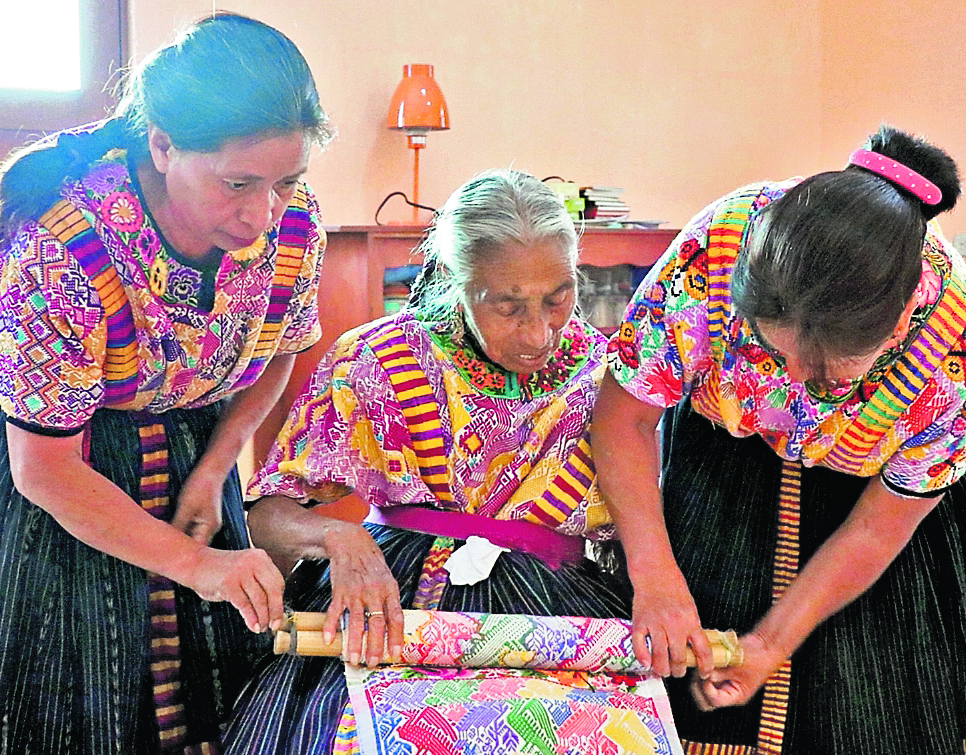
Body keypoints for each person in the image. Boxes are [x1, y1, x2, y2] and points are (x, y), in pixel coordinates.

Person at [0, 13, 332, 754]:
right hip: (74, 470)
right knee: (81, 698)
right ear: (162, 144)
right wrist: (195, 564)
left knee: (216, 691)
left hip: (196, 447)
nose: (261, 215)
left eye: (287, 181)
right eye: (237, 183)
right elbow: (43, 469)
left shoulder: (293, 224)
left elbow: (278, 348)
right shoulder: (63, 246)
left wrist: (217, 466)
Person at [221, 169, 633, 754]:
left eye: (559, 298)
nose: (537, 332)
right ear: (454, 281)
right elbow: (266, 515)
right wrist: (341, 541)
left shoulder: (606, 371)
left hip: (556, 616)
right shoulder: (379, 358)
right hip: (394, 603)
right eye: (507, 306)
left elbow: (632, 526)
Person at [592, 124, 966, 754]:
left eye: (823, 375)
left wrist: (770, 644)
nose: (790, 381)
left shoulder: (953, 349)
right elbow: (624, 416)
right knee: (688, 694)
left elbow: (878, 528)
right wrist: (654, 574)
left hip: (867, 506)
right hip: (719, 461)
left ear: (900, 321)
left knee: (864, 712)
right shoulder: (718, 246)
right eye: (769, 348)